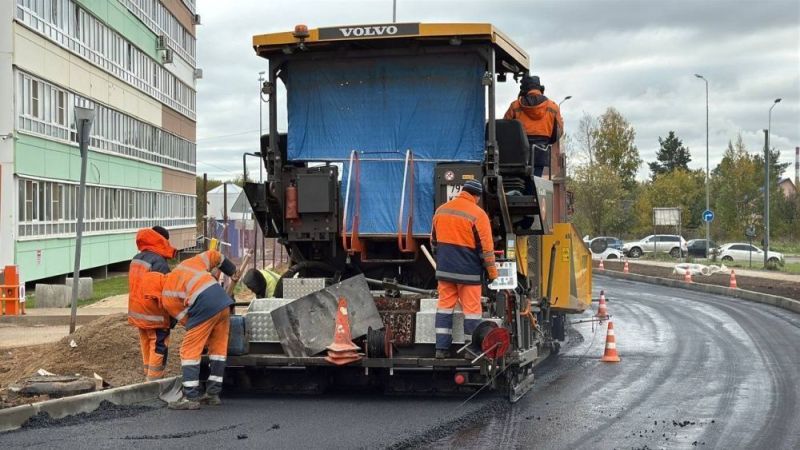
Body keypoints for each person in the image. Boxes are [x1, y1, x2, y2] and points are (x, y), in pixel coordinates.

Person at [146, 249, 238, 410]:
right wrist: (232, 271)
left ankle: (191, 397)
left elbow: (189, 322)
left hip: (205, 306)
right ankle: (213, 394)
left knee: (189, 351)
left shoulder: (167, 297)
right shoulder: (186, 265)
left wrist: (201, 336)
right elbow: (214, 255)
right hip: (224, 303)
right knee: (218, 350)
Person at [430, 180, 498, 359]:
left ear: (462, 192)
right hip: (469, 274)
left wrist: (443, 263)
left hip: (445, 272)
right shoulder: (478, 214)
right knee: (472, 311)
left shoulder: (441, 210)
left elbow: (434, 244)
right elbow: (486, 250)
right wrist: (492, 274)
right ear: (476, 196)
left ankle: (441, 349)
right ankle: (471, 350)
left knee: (444, 308)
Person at [128, 226, 176, 381]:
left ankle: (147, 378)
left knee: (146, 344)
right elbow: (166, 294)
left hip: (138, 312)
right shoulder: (159, 262)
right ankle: (154, 382)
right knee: (158, 346)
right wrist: (173, 317)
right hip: (154, 315)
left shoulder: (137, 258)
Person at [503, 75, 564, 176]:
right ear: (540, 88)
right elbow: (559, 131)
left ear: (524, 89)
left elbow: (505, 130)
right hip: (541, 152)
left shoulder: (515, 106)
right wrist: (548, 141)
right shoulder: (553, 107)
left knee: (519, 183)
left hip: (519, 154)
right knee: (535, 182)